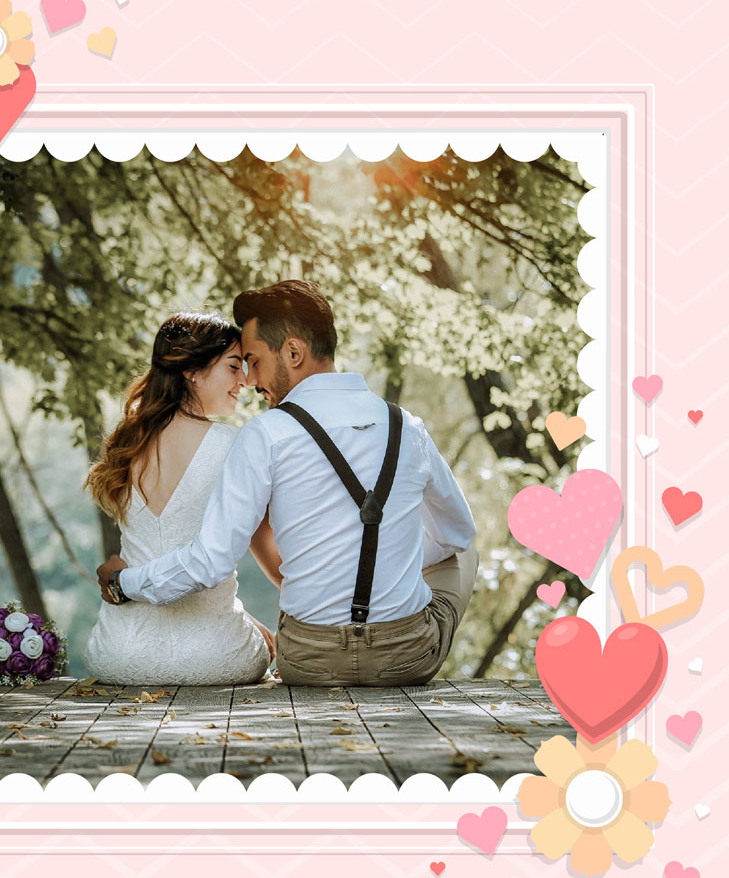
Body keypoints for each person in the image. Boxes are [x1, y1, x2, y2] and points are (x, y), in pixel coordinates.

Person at [97, 279, 478, 687]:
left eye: (254, 361)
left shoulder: (264, 434)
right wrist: (391, 562)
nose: (250, 379)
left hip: (308, 661)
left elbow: (211, 560)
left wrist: (124, 583)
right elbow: (457, 532)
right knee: (462, 550)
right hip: (406, 658)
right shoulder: (409, 427)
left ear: (293, 352)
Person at [82, 311, 279, 685]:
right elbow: (263, 559)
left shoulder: (127, 444)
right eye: (234, 366)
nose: (245, 380)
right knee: (262, 646)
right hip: (215, 657)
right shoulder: (234, 445)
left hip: (118, 655)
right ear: (191, 370)